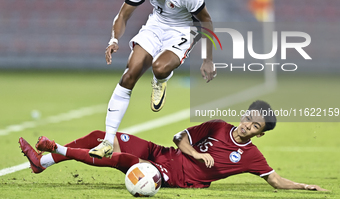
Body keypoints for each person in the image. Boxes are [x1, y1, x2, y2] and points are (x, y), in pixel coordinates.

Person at [19, 100, 326, 191]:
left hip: (173, 177)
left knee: (121, 158)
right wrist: (196, 153)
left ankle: (55, 149)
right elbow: (179, 138)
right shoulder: (217, 126)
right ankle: (41, 163)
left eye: (254, 126)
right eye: (248, 118)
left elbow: (274, 180)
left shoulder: (250, 155)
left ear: (260, 133)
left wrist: (304, 187)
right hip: (162, 154)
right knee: (103, 135)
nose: (247, 125)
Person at [89, 0, 216, 159]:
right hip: (156, 25)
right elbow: (123, 15)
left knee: (159, 67)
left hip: (183, 29)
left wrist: (208, 59)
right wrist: (113, 39)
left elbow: (206, 21)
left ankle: (161, 79)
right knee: (130, 72)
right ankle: (108, 141)